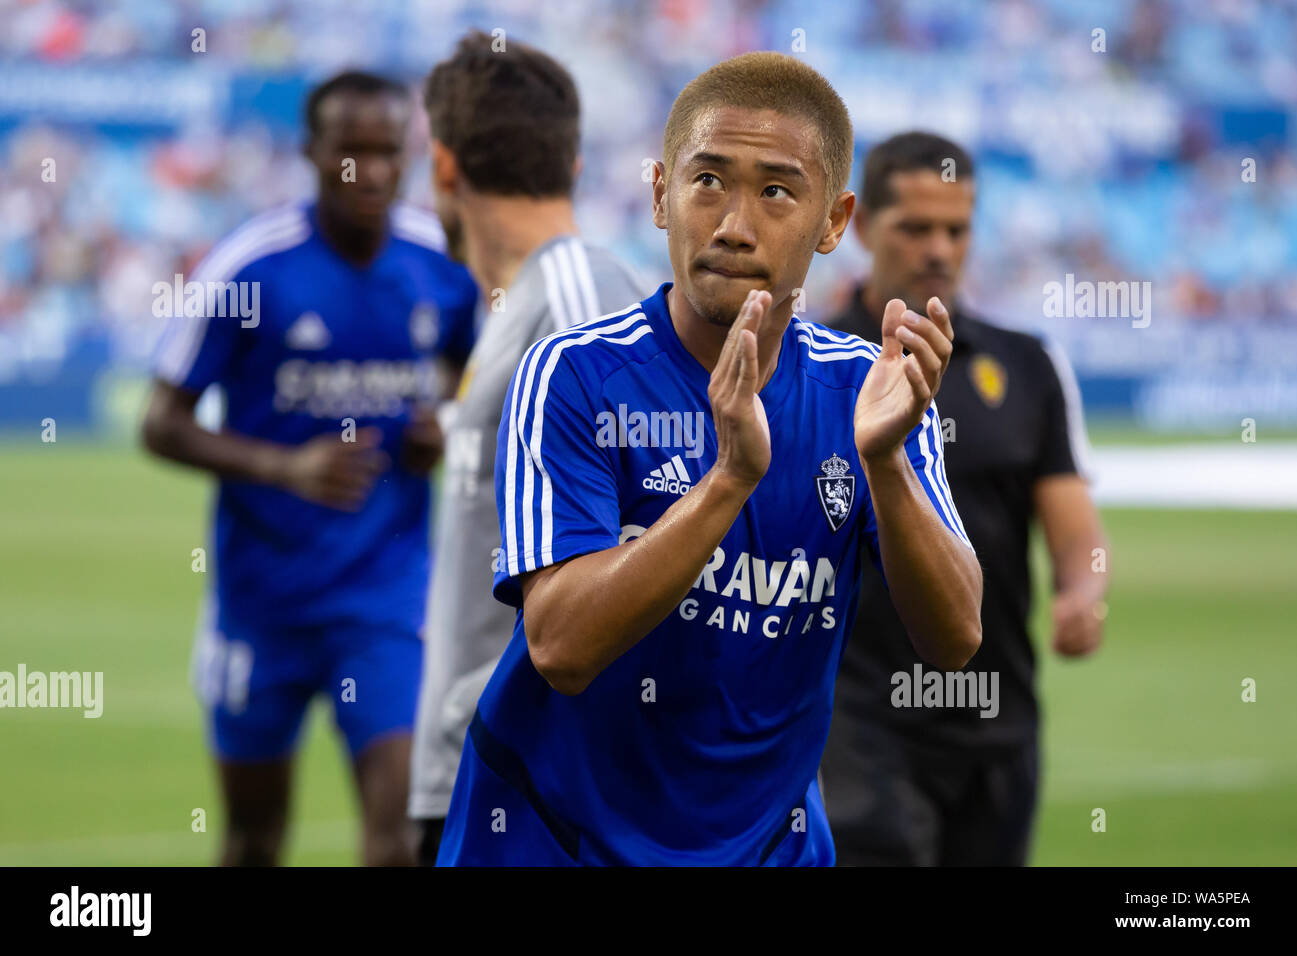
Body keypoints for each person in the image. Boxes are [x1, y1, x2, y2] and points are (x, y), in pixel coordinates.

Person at [435, 52, 982, 866]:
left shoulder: (864, 394)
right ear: (660, 194)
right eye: (707, 181)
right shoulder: (576, 374)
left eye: (775, 191)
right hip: (553, 840)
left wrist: (889, 465)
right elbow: (561, 649)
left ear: (835, 222)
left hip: (769, 849)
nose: (732, 223)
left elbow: (956, 640)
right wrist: (729, 481)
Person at [140, 70, 478, 866]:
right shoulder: (251, 269)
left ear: (410, 157)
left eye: (386, 152)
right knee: (254, 838)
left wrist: (451, 427)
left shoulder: (441, 266)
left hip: (386, 600)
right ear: (311, 154)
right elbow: (161, 423)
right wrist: (284, 466)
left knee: (398, 837)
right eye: (348, 153)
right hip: (263, 603)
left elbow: (486, 382)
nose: (370, 173)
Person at [818, 131, 1110, 866]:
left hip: (997, 720)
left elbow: (1074, 522)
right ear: (859, 226)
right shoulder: (816, 363)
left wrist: (1083, 589)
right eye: (915, 228)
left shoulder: (1028, 365)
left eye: (957, 228)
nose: (939, 249)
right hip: (860, 726)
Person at [407, 31, 648, 865]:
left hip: (537, 779)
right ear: (574, 162)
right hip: (482, 765)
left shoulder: (578, 301)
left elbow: (635, 542)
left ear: (444, 167)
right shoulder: (522, 305)